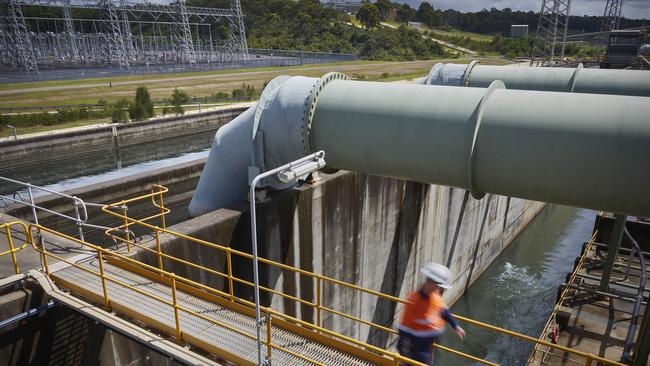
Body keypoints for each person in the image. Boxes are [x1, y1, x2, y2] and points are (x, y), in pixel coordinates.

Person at [397, 263, 465, 365]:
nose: (438, 289)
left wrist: (456, 326)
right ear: (430, 283)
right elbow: (404, 329)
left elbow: (444, 311)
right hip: (416, 348)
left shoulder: (434, 296)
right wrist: (402, 351)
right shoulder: (415, 301)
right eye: (437, 286)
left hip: (429, 345)